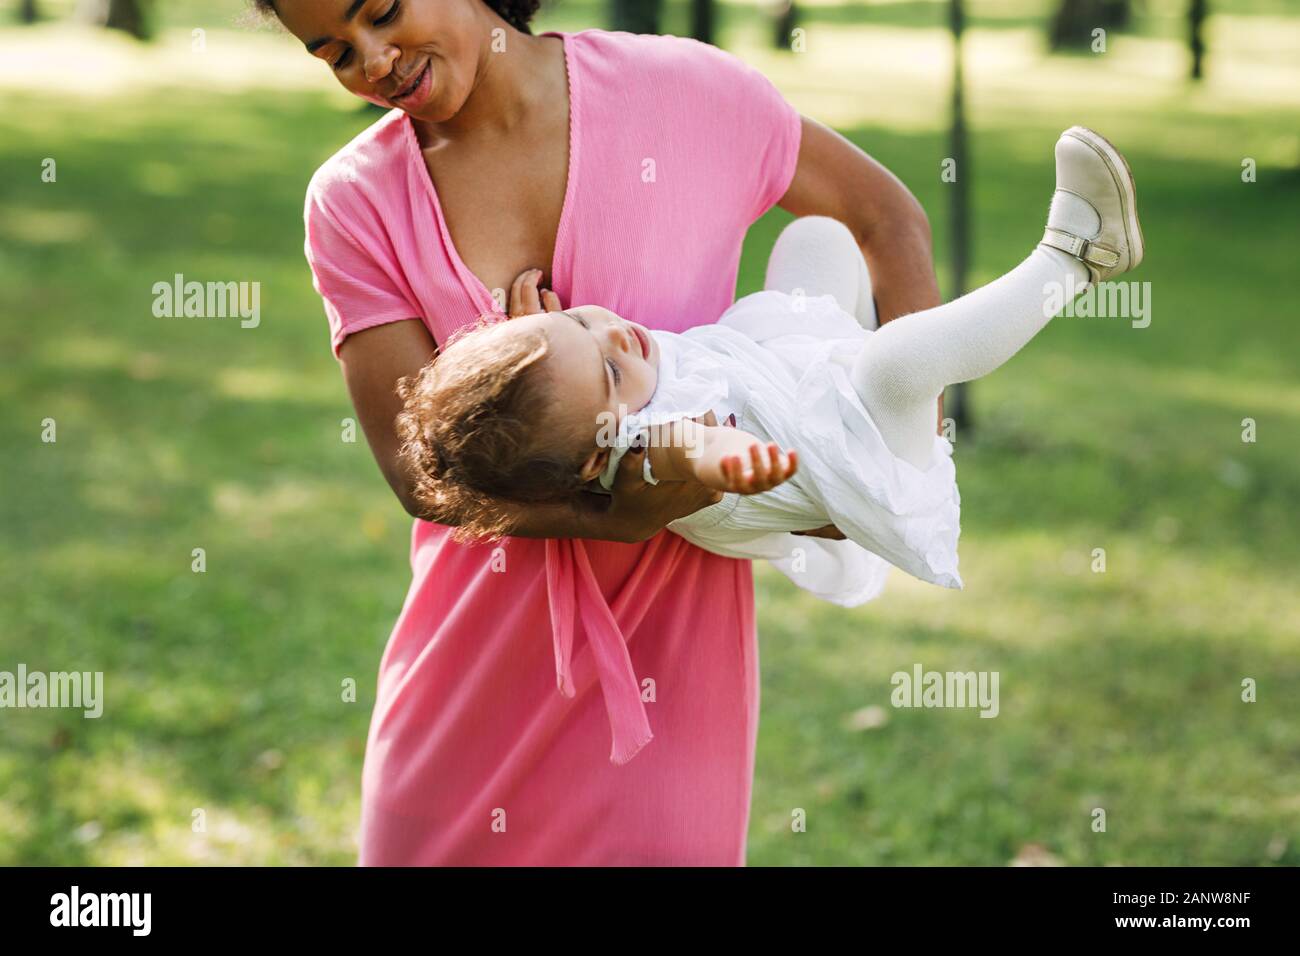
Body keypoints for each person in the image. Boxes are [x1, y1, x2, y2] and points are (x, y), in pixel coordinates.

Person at [265, 0, 943, 864]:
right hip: (473, 668)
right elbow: (415, 475)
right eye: (333, 52)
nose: (372, 60)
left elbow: (886, 220)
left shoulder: (683, 93)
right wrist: (609, 511)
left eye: (381, 12)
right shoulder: (356, 201)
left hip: (673, 674)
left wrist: (909, 459)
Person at [396, 127, 1145, 607]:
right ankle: (1076, 258)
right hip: (850, 459)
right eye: (611, 375)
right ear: (601, 450)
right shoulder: (649, 453)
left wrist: (543, 339)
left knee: (818, 239)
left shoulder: (595, 393)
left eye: (585, 323)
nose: (621, 336)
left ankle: (845, 365)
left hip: (781, 375)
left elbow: (577, 369)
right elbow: (689, 448)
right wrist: (730, 459)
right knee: (893, 365)